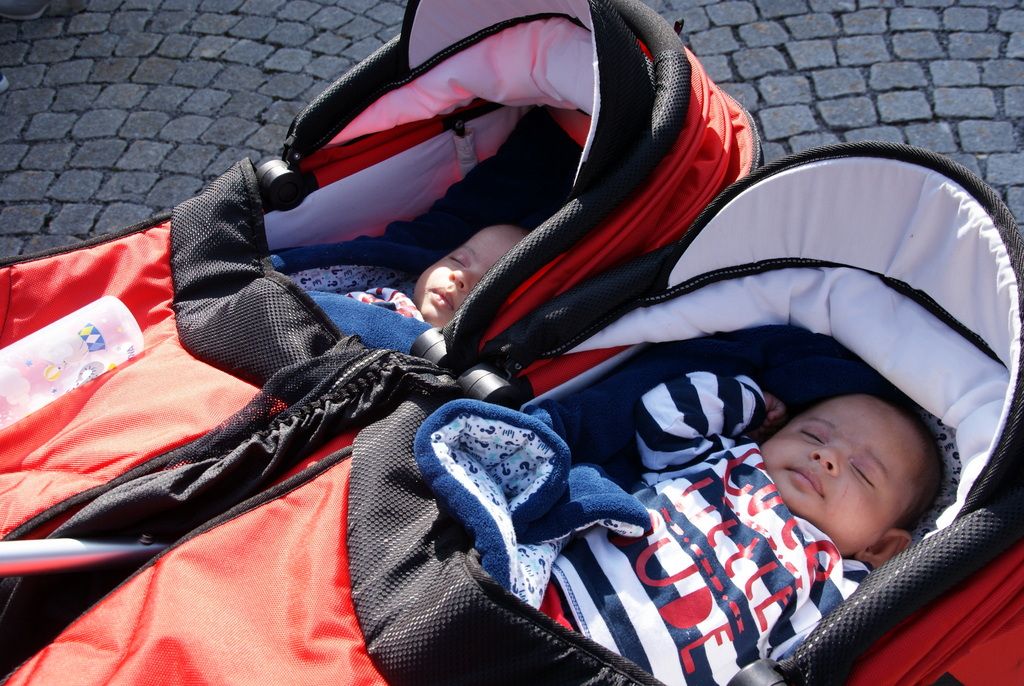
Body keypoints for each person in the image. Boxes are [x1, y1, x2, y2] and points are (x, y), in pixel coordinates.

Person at [546, 371, 940, 685]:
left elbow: (811, 661)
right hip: (553, 603)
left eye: (862, 472)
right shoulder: (729, 459)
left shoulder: (834, 583)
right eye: (813, 435)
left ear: (880, 548)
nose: (826, 455)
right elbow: (664, 413)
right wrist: (752, 405)